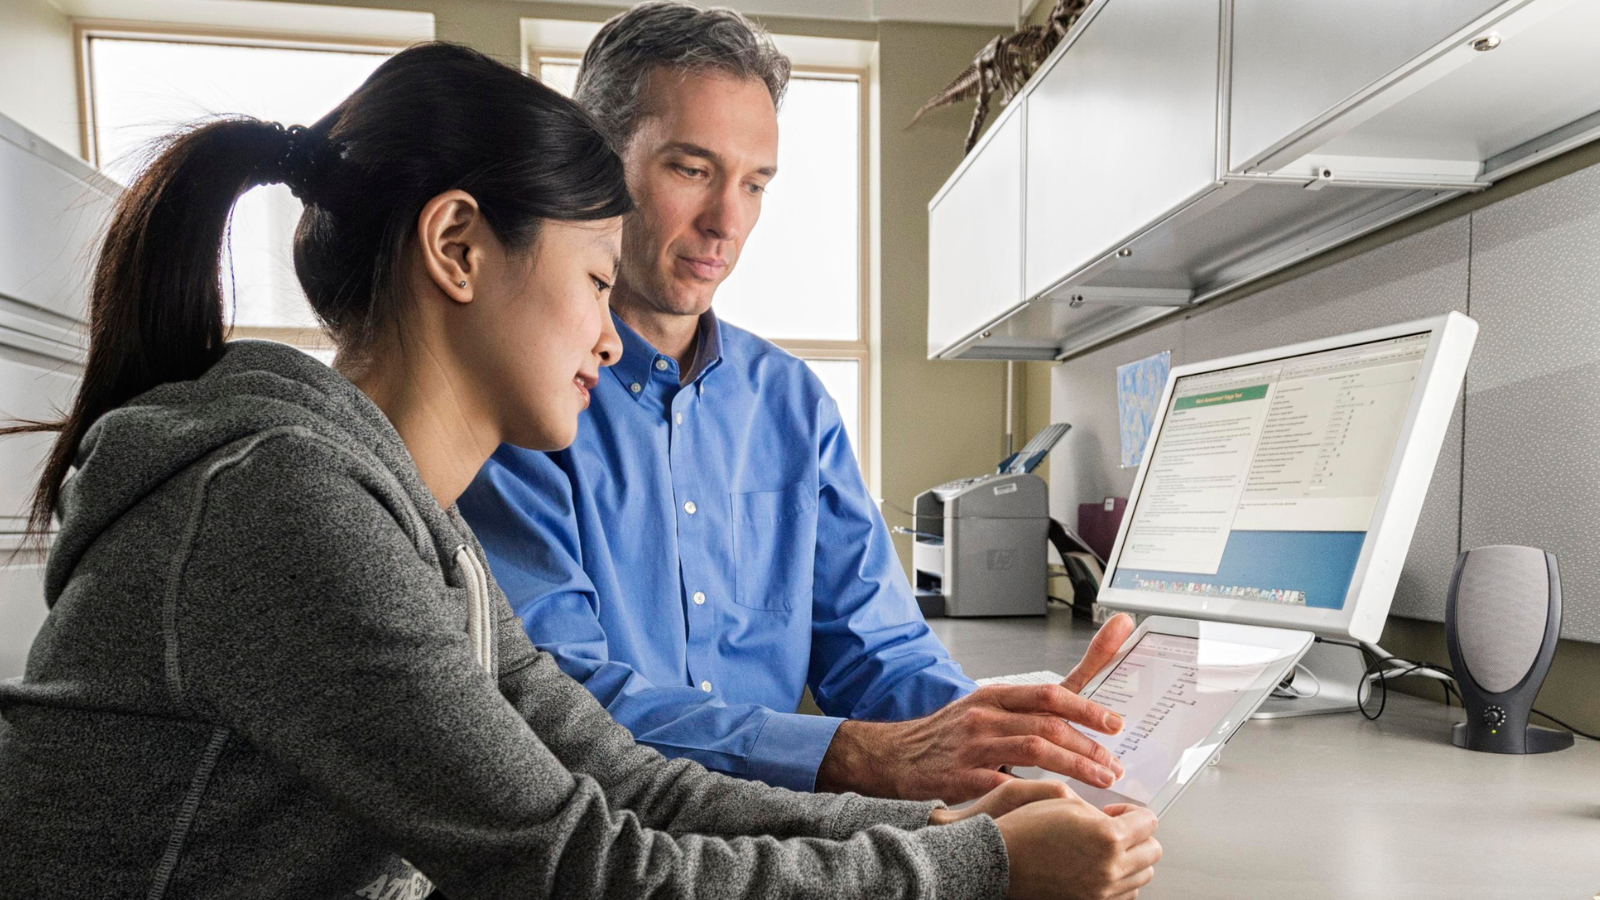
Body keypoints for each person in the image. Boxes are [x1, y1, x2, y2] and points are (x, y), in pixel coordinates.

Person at [0, 42, 1161, 900]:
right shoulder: (287, 511)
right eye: (595, 281)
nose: (610, 338)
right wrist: (971, 864)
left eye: (756, 183)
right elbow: (579, 863)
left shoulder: (406, 521)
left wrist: (956, 819)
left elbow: (623, 781)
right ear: (457, 248)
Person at [459, 0, 1133, 803]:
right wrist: (851, 755)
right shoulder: (521, 401)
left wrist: (1000, 733)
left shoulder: (792, 404)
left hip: (780, 843)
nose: (727, 222)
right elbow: (559, 700)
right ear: (598, 160)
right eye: (691, 169)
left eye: (755, 183)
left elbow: (875, 648)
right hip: (608, 838)